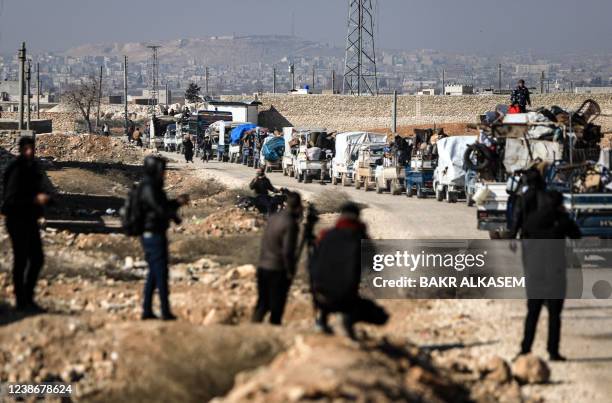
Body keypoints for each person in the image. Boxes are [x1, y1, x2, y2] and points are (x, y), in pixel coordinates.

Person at [309, 202, 388, 339]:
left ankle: (321, 320)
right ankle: (347, 322)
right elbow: (375, 265)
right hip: (346, 296)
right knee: (381, 316)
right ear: (357, 217)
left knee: (328, 286)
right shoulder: (361, 237)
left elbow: (313, 262)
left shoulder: (325, 235)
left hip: (320, 293)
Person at [518, 191, 581, 361]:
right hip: (556, 273)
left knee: (532, 313)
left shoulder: (532, 219)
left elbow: (524, 244)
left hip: (536, 273)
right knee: (554, 315)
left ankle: (525, 349)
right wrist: (564, 217)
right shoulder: (562, 220)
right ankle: (553, 351)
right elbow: (577, 234)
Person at [1, 137, 50, 312]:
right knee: (21, 259)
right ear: (21, 150)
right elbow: (11, 198)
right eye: (26, 149)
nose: (30, 152)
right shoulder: (16, 169)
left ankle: (28, 297)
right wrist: (34, 199)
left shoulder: (32, 167)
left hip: (29, 218)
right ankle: (21, 300)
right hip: (16, 219)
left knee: (37, 258)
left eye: (32, 148)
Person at [138, 156, 189, 320]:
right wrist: (174, 209)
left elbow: (162, 207)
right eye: (162, 171)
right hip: (153, 235)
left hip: (155, 233)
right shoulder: (149, 188)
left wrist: (176, 204)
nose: (164, 174)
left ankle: (147, 310)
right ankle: (165, 312)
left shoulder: (153, 187)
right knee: (161, 274)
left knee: (154, 274)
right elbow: (159, 210)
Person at [252, 192, 303, 325]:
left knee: (262, 304)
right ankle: (273, 333)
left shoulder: (273, 218)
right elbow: (288, 252)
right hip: (277, 269)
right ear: (298, 207)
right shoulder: (290, 223)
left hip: (263, 266)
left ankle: (252, 331)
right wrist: (291, 271)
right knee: (276, 307)